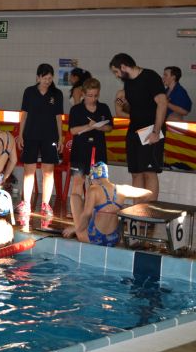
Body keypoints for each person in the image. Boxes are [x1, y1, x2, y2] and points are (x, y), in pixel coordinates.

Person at [110, 53, 167, 199]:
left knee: (149, 172)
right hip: (134, 129)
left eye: (116, 72)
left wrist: (156, 131)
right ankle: (138, 213)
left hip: (150, 129)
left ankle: (150, 214)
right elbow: (136, 107)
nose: (117, 76)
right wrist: (123, 104)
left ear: (123, 67)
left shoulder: (150, 77)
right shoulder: (128, 83)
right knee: (136, 172)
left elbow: (162, 103)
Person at [17, 63, 64, 228]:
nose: (48, 82)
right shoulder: (29, 92)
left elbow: (59, 117)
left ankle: (45, 204)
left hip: (49, 136)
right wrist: (20, 134)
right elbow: (24, 114)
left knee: (48, 172)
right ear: (38, 77)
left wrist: (61, 137)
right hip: (30, 135)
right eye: (45, 78)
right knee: (29, 171)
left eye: (50, 79)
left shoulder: (56, 94)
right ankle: (26, 203)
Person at [63, 162, 154, 246]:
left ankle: (80, 231)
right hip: (113, 240)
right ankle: (123, 239)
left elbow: (87, 215)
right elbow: (149, 193)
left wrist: (75, 229)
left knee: (75, 197)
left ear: (94, 178)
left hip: (94, 239)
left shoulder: (94, 189)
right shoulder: (122, 189)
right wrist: (133, 209)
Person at [68, 78, 113, 205]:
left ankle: (93, 213)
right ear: (83, 93)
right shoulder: (76, 110)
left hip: (98, 150)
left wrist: (99, 126)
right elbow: (72, 130)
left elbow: (109, 127)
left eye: (95, 96)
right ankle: (77, 215)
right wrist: (89, 126)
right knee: (77, 183)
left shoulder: (103, 108)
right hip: (80, 150)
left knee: (97, 183)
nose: (93, 99)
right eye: (89, 96)